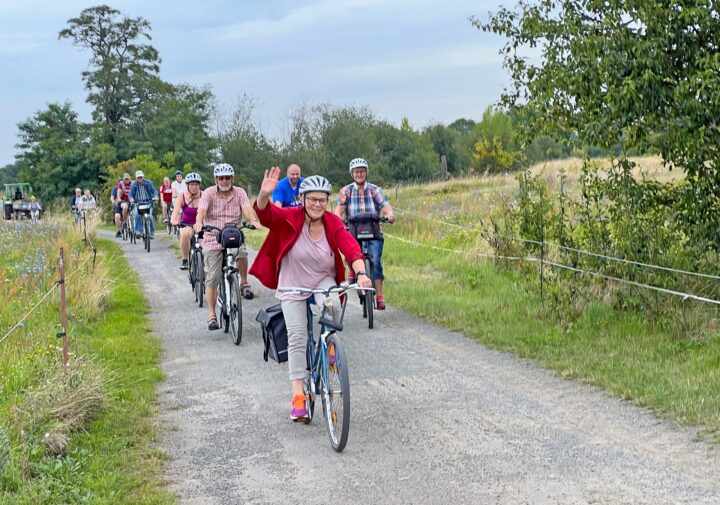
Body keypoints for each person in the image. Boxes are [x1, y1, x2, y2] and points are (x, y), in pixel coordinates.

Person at [250, 168, 371, 422]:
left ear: (327, 201)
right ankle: (298, 397)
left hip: (322, 280)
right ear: (303, 199)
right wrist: (263, 195)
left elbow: (350, 246)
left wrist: (360, 273)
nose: (317, 204)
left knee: (333, 308)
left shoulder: (331, 222)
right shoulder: (290, 217)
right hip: (292, 283)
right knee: (296, 336)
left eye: (322, 199)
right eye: (312, 199)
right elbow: (266, 215)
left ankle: (328, 349)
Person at [194, 163, 260, 330]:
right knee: (214, 276)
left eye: (227, 177)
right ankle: (211, 314)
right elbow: (201, 210)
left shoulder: (239, 192)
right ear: (216, 179)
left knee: (243, 254)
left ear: (232, 178)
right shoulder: (208, 193)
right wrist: (199, 223)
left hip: (233, 234)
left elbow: (246, 208)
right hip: (213, 236)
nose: (224, 181)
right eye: (221, 178)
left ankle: (244, 283)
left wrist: (252, 220)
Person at [334, 157, 395, 310]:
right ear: (352, 174)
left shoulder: (375, 190)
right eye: (356, 172)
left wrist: (389, 214)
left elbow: (385, 205)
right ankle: (352, 271)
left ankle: (379, 297)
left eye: (362, 171)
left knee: (376, 263)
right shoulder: (346, 191)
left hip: (373, 230)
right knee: (350, 252)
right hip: (353, 229)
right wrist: (337, 220)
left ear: (366, 173)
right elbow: (340, 209)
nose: (359, 174)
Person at [171, 172, 203, 270]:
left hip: (202, 224)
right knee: (184, 234)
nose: (194, 187)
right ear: (187, 185)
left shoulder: (204, 195)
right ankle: (185, 260)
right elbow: (175, 211)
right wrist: (173, 220)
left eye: (196, 184)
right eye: (192, 184)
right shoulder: (182, 196)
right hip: (186, 223)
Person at [129, 170, 159, 239]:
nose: (140, 178)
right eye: (138, 177)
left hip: (148, 202)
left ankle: (151, 232)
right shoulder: (134, 185)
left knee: (150, 216)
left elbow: (154, 191)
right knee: (137, 214)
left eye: (141, 177)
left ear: (143, 177)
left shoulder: (148, 183)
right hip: (137, 203)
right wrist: (131, 199)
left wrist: (156, 196)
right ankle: (139, 231)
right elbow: (130, 194)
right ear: (136, 178)